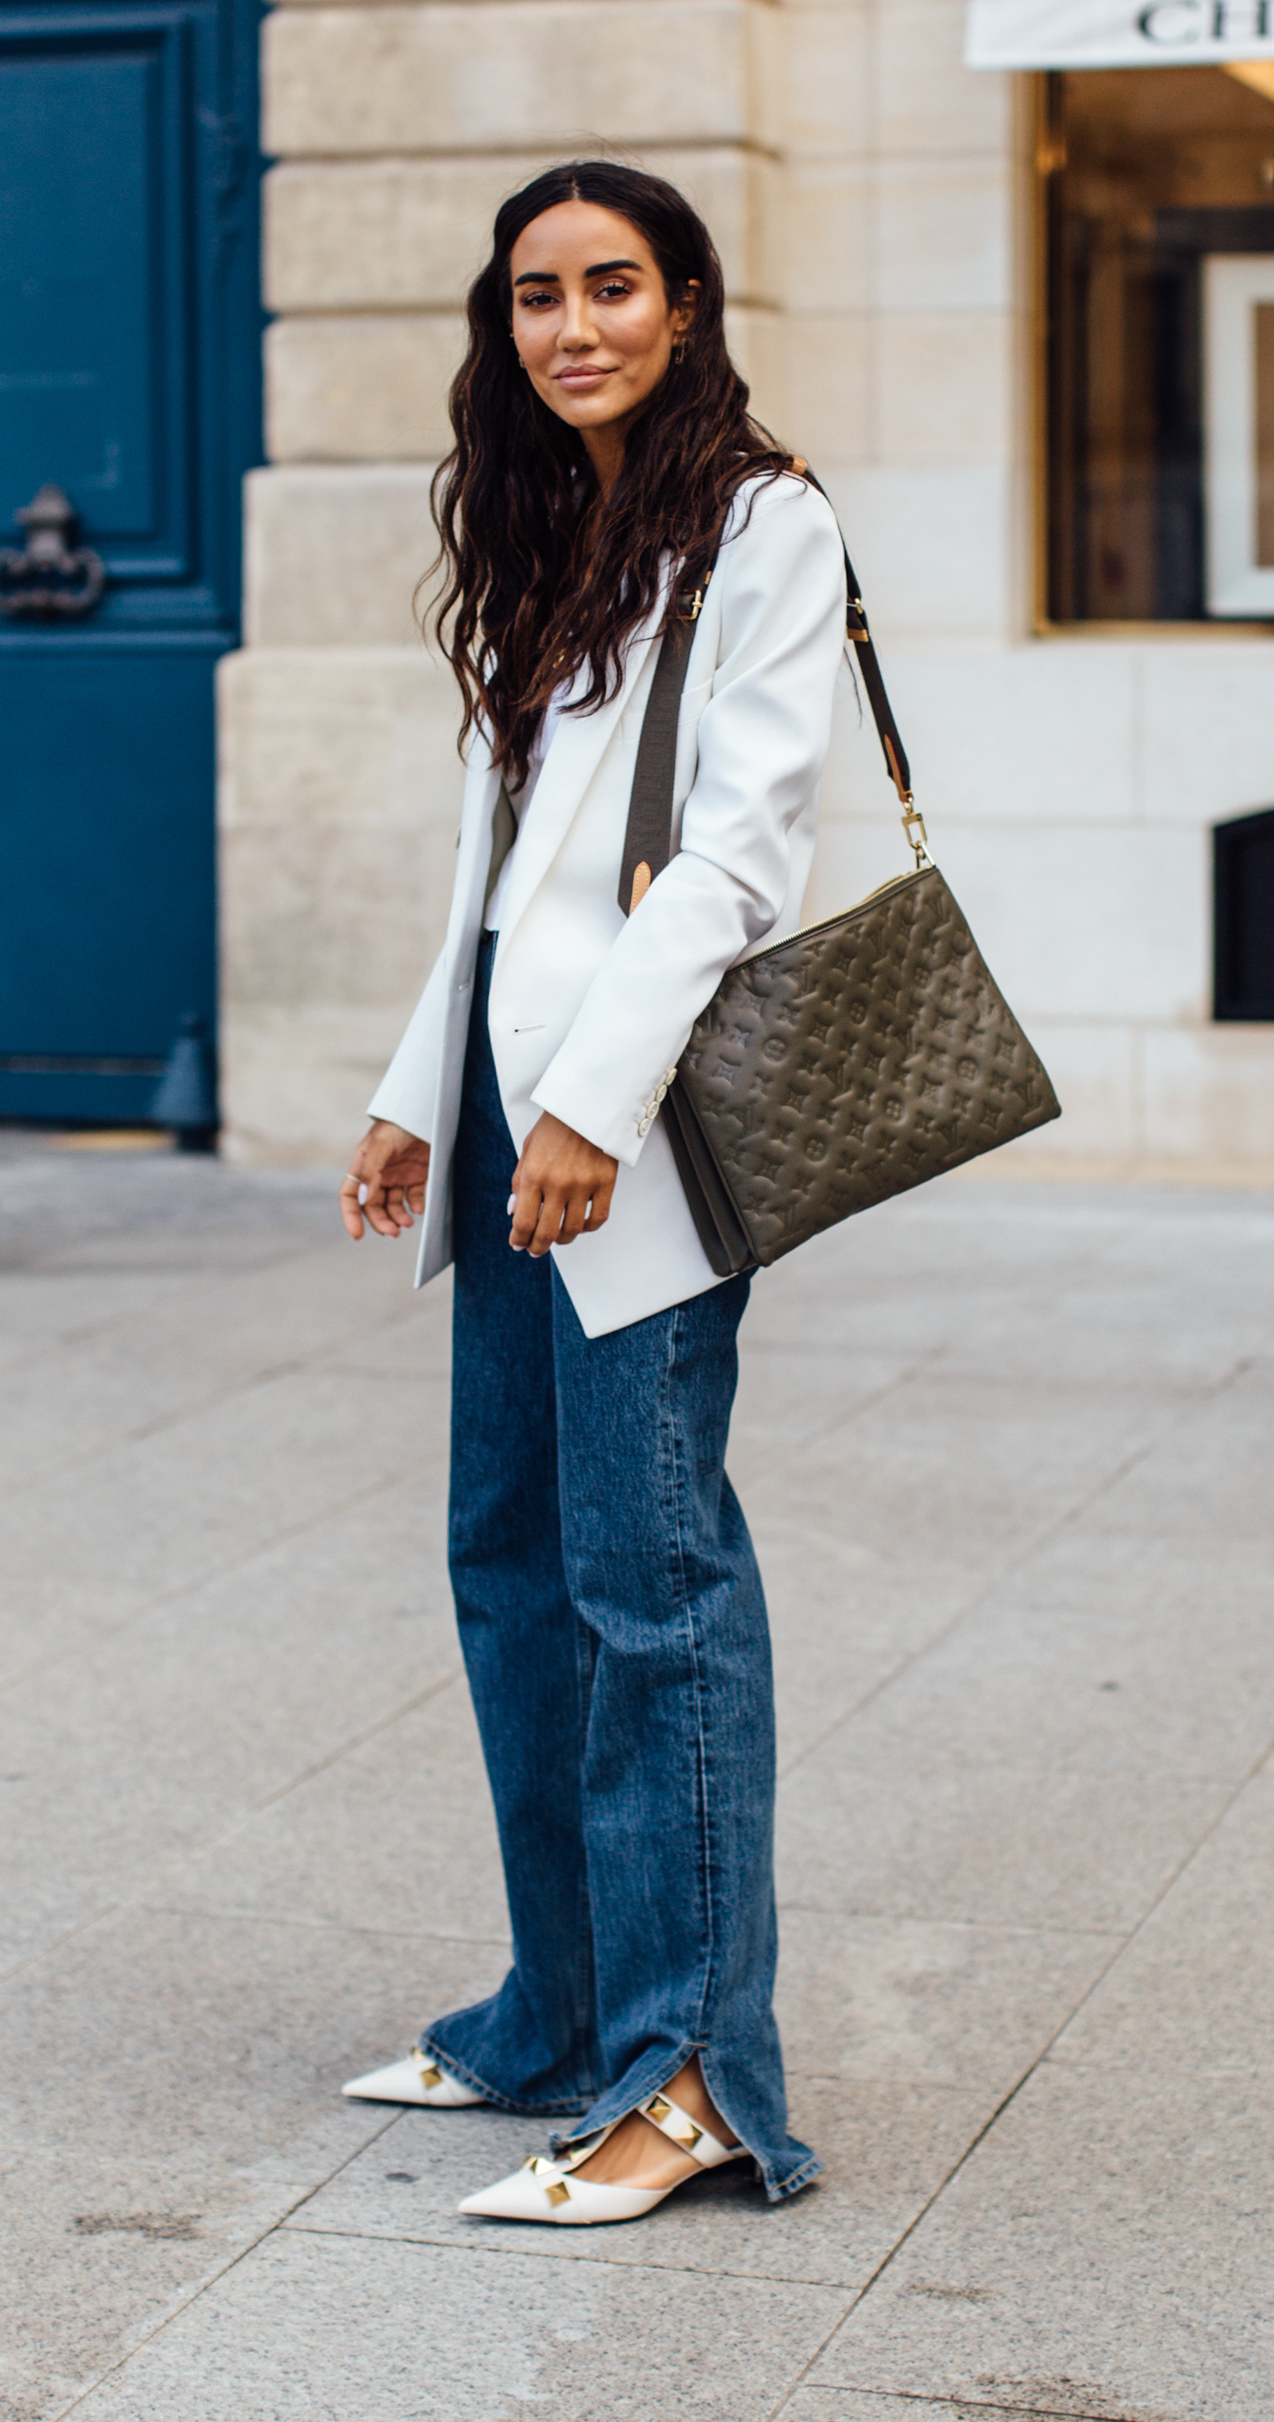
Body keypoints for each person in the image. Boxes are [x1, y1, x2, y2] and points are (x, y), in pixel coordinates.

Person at [336, 160, 845, 2224]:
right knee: (513, 1560)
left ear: (690, 297)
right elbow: (508, 867)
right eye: (538, 294)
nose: (575, 327)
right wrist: (417, 1094)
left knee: (656, 1587)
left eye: (613, 286)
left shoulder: (763, 524)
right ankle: (561, 2002)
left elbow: (738, 854)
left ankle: (699, 2071)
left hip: (627, 1126)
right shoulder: (557, 525)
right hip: (510, 1097)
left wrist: (589, 1110)